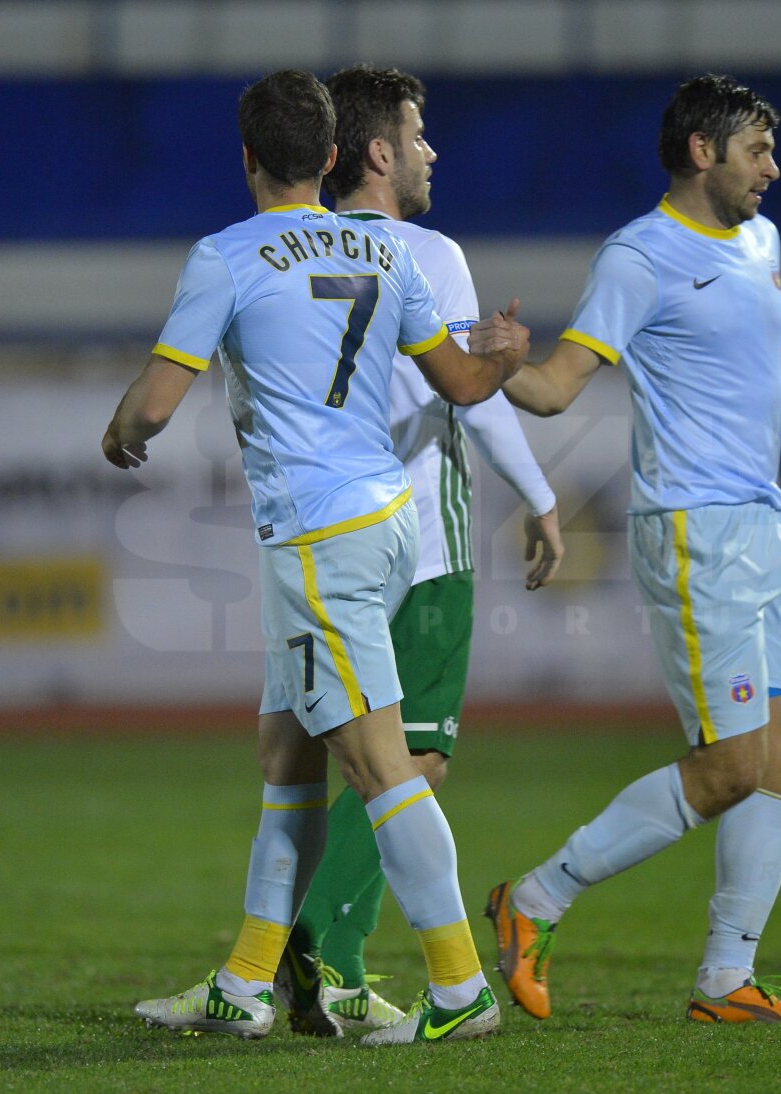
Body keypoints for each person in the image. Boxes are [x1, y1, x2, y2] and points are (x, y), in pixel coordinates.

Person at [104, 69, 529, 1045]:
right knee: (287, 753)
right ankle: (248, 980)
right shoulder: (384, 246)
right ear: (333, 157)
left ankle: (460, 986)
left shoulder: (227, 254)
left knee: (383, 767)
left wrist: (121, 424)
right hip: (382, 525)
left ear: (248, 158)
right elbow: (463, 380)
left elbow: (159, 405)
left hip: (317, 537)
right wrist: (503, 353)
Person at [468, 73, 781, 1024]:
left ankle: (725, 980)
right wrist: (497, 365)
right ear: (702, 151)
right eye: (758, 152)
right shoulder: (640, 257)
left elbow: (759, 358)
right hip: (694, 533)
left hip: (763, 524)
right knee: (732, 764)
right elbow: (555, 388)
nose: (774, 171)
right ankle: (533, 899)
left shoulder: (759, 240)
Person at [273, 64, 564, 1039]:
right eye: (419, 132)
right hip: (427, 543)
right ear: (381, 153)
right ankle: (322, 939)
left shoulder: (293, 250)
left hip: (332, 538)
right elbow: (470, 398)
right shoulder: (429, 253)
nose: (433, 149)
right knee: (418, 760)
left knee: (352, 754)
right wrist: (542, 496)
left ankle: (322, 959)